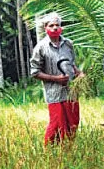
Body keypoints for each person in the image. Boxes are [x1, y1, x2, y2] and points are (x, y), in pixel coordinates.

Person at [30, 13, 83, 145]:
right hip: (54, 93)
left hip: (71, 92)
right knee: (57, 124)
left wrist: (79, 73)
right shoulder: (41, 47)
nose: (54, 28)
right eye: (51, 25)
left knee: (73, 122)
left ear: (61, 27)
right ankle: (49, 150)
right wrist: (56, 79)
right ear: (45, 27)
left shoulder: (68, 44)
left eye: (57, 25)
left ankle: (68, 148)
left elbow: (72, 64)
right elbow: (35, 72)